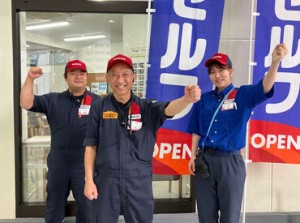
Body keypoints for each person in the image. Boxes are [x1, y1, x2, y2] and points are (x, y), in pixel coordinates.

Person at [83, 54, 201, 223]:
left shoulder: (146, 107)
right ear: (108, 78)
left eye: (125, 74)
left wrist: (186, 100)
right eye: (114, 74)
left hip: (138, 181)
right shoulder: (98, 107)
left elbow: (167, 109)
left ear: (133, 77)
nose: (120, 79)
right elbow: (90, 146)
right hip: (106, 180)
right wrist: (89, 180)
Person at [187, 43, 288, 223]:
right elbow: (196, 129)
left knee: (230, 217)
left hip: (231, 163)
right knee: (205, 216)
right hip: (205, 161)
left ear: (230, 71)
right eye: (212, 72)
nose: (217, 76)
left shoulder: (243, 95)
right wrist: (192, 156)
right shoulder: (203, 100)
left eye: (221, 70)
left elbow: (265, 87)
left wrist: (275, 63)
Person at [20, 60, 100, 223]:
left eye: (82, 73)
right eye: (73, 73)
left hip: (85, 166)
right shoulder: (53, 100)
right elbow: (26, 103)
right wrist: (30, 79)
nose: (78, 76)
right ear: (66, 77)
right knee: (54, 208)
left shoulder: (99, 102)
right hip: (59, 165)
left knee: (88, 209)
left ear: (86, 77)